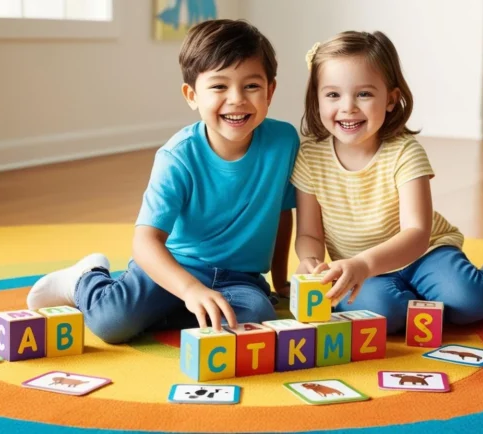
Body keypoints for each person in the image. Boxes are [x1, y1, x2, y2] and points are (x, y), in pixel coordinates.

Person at [26, 19, 299, 343]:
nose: (237, 99)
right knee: (111, 324)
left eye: (251, 86)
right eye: (219, 87)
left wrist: (280, 280)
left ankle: (176, 311)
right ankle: (86, 280)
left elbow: (282, 212)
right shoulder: (177, 157)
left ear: (270, 90)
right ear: (191, 95)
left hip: (239, 279)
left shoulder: (284, 142)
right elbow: (145, 243)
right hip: (172, 269)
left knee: (256, 317)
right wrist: (189, 288)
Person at [292, 31, 483, 333]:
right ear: (316, 99)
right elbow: (309, 234)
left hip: (425, 255)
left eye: (364, 94)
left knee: (468, 299)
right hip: (365, 272)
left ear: (391, 99)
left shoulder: (405, 152)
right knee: (380, 315)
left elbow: (417, 233)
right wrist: (311, 259)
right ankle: (425, 299)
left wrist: (364, 264)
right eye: (333, 95)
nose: (348, 107)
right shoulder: (310, 157)